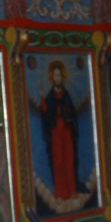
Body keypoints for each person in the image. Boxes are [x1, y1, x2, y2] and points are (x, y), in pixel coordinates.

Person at [38, 60, 81, 200]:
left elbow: (72, 112)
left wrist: (68, 114)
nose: (58, 78)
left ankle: (72, 191)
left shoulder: (66, 94)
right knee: (58, 160)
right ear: (52, 77)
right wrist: (42, 99)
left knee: (69, 159)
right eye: (55, 75)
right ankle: (61, 193)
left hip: (67, 130)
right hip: (56, 130)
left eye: (59, 75)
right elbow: (46, 112)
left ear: (62, 77)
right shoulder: (50, 96)